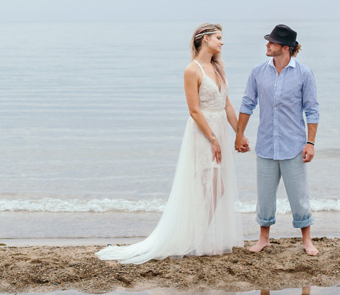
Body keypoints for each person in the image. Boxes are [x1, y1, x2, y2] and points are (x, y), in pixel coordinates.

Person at [96, 23, 245, 264]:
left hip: (219, 131)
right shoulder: (192, 70)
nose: (222, 42)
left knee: (217, 188)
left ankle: (199, 236)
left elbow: (226, 105)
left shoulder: (218, 68)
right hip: (203, 133)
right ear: (205, 40)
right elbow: (195, 111)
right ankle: (195, 238)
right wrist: (213, 139)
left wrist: (239, 133)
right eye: (218, 38)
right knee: (209, 187)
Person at [235, 24, 319, 255]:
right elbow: (247, 104)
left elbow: (312, 110)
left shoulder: (304, 74)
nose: (267, 45)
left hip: (294, 146)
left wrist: (310, 143)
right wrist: (240, 134)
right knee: (265, 197)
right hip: (265, 145)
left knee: (299, 196)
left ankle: (307, 241)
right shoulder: (258, 72)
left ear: (285, 47)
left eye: (271, 42)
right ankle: (263, 239)